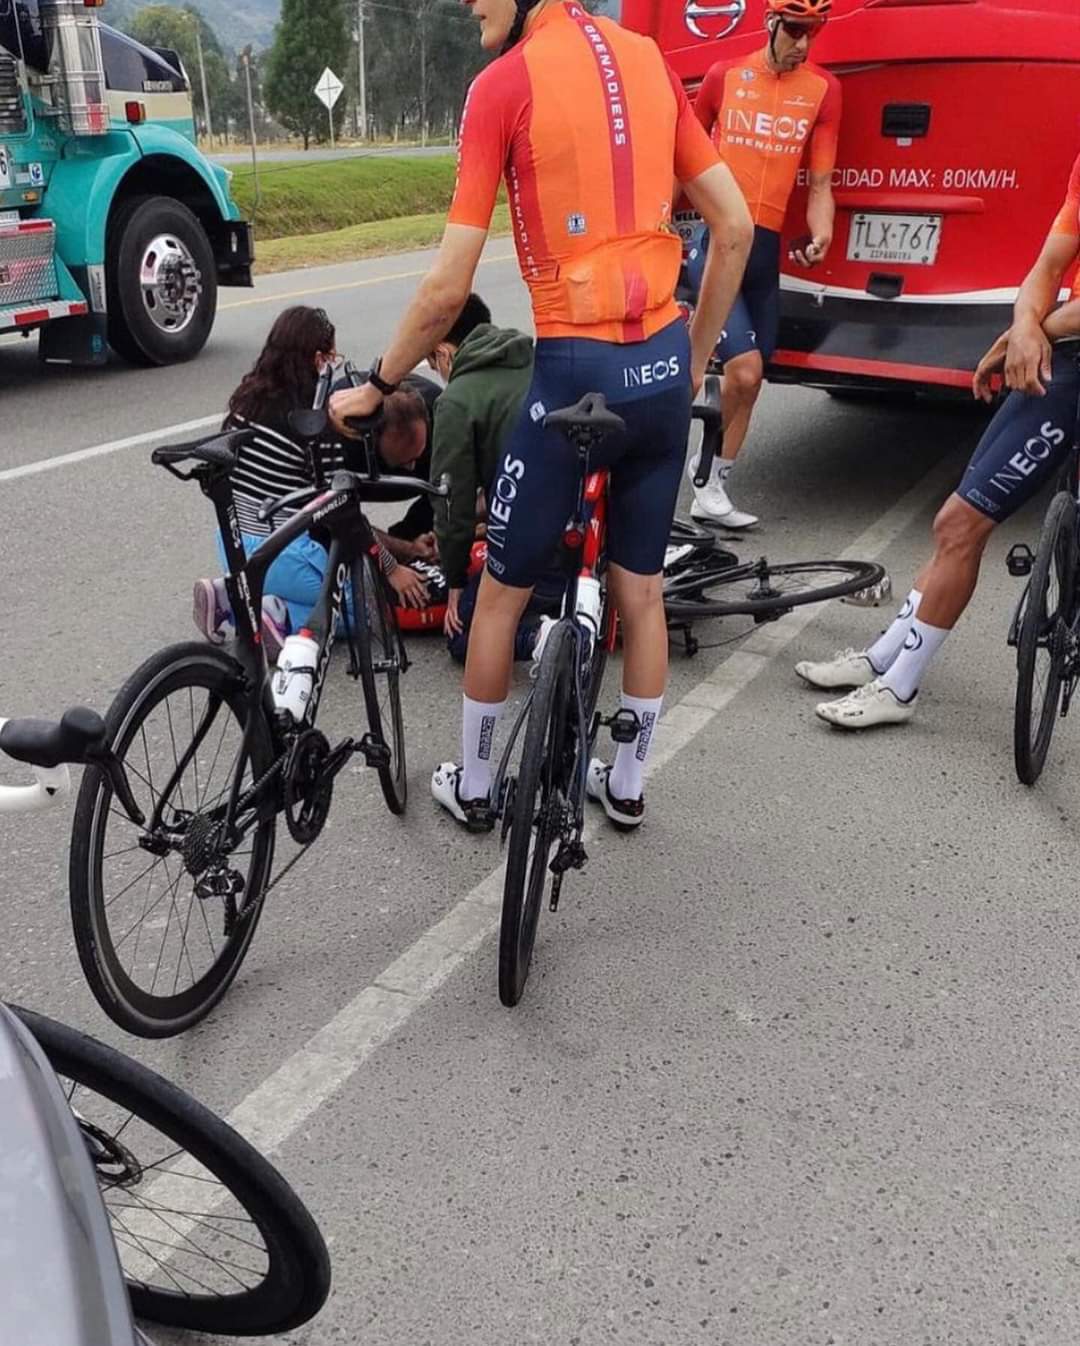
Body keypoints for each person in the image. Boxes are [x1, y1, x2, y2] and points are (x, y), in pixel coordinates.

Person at [329, 0, 752, 831]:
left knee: (499, 595)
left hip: (572, 375)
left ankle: (477, 785)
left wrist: (376, 386)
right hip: (661, 370)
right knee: (642, 592)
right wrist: (695, 359)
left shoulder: (503, 83)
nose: (467, 3)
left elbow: (448, 289)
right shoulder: (650, 60)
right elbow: (733, 227)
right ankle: (626, 785)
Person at [797, 151, 1080, 730]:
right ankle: (885, 661)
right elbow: (1048, 264)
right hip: (1064, 349)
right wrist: (1023, 326)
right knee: (956, 523)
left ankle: (898, 687)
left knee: (958, 525)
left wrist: (1031, 335)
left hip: (1062, 342)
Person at [192, 307, 432, 658]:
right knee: (363, 610)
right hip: (282, 553)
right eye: (332, 356)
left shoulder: (247, 400)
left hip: (233, 547)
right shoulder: (316, 423)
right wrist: (393, 569)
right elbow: (341, 513)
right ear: (318, 359)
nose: (334, 364)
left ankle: (227, 595)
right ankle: (281, 616)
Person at [684, 0, 840, 529]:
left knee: (753, 379)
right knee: (743, 369)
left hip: (764, 250)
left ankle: (712, 484)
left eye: (813, 32)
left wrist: (822, 230)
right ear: (770, 23)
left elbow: (820, 183)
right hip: (719, 241)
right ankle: (689, 472)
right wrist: (660, 222)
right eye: (794, 30)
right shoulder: (723, 76)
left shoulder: (824, 90)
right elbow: (682, 157)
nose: (803, 43)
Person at [426, 291, 535, 640]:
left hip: (532, 541)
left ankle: (541, 638)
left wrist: (455, 580)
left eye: (433, 363)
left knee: (465, 634)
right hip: (582, 520)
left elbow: (451, 502)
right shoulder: (534, 359)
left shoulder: (456, 400)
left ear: (443, 353)